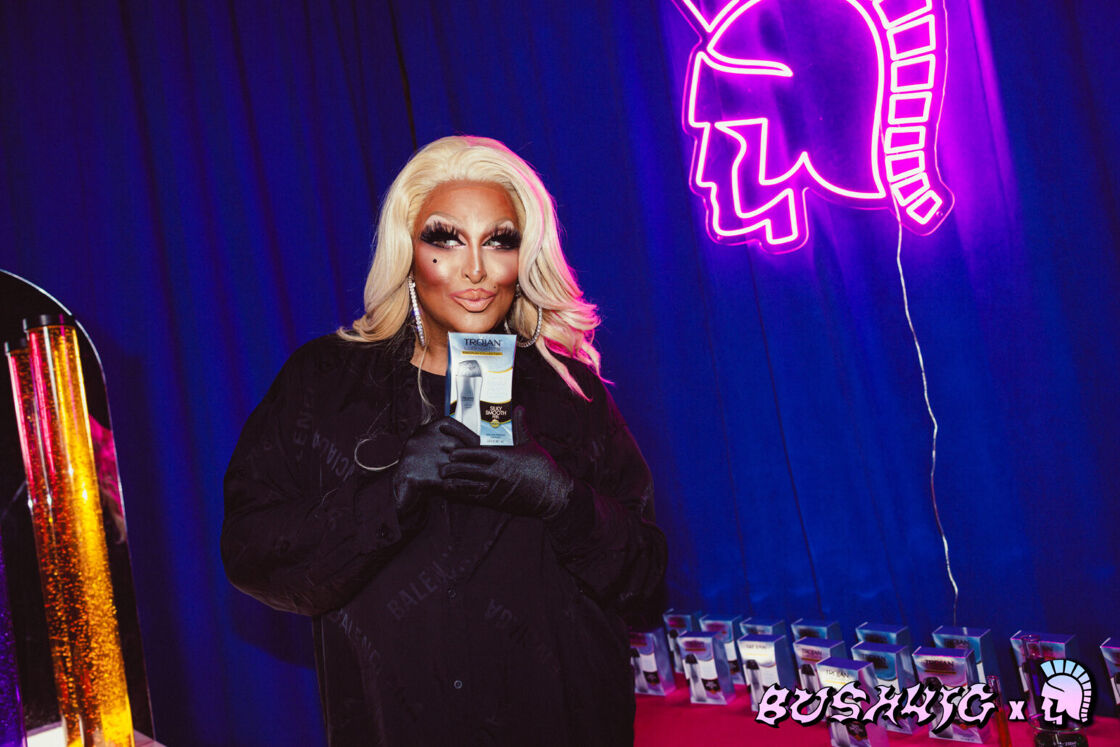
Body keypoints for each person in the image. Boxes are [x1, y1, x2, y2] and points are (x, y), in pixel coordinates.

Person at [221, 135, 667, 745]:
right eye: (445, 238)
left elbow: (644, 583)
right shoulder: (323, 382)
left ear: (524, 256)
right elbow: (253, 557)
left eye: (499, 240)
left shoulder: (572, 394)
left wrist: (563, 499)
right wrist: (390, 491)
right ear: (408, 251)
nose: (475, 268)